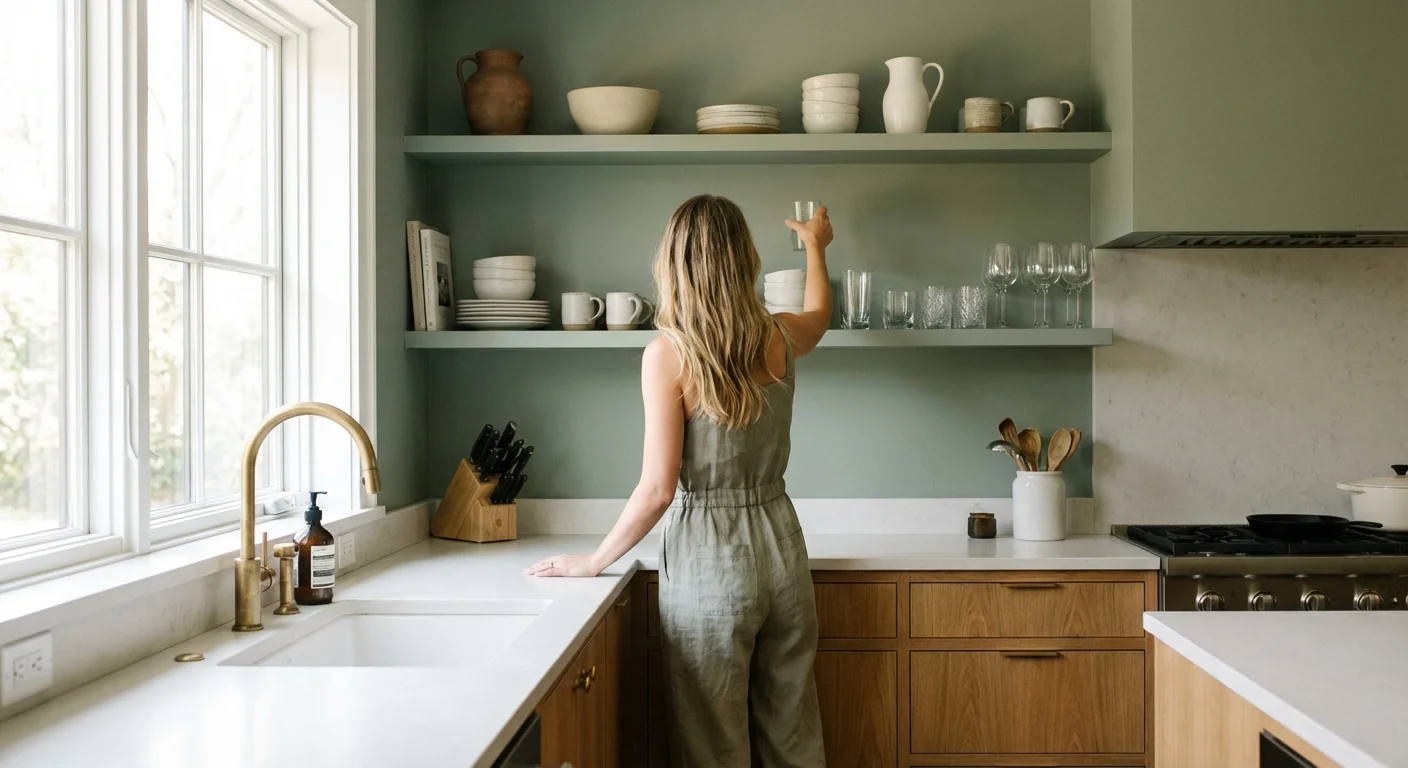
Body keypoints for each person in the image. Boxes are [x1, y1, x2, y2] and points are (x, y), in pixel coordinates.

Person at [526, 194, 834, 767]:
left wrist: (594, 561)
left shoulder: (669, 354)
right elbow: (821, 311)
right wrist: (816, 247)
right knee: (792, 731)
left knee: (715, 746)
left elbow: (657, 490)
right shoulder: (781, 337)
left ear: (674, 264)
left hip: (711, 565)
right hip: (783, 552)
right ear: (745, 259)